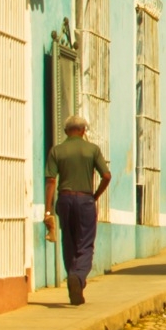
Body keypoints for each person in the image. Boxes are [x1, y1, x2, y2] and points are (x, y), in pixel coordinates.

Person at [46, 115, 112, 305]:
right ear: (83, 131)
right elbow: (106, 175)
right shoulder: (92, 149)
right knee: (85, 244)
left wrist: (48, 210)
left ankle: (72, 277)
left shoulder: (57, 151)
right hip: (85, 200)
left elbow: (51, 180)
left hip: (65, 198)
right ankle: (78, 276)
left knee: (69, 240)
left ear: (66, 131)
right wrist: (96, 195)